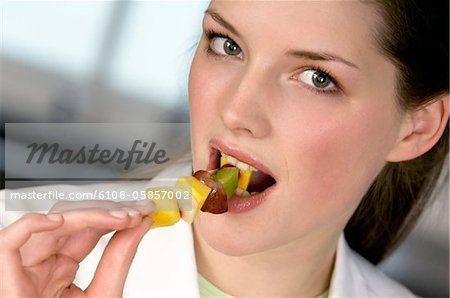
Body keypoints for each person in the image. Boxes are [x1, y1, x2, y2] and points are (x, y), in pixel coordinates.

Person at [1, 0, 448, 297]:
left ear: (416, 129)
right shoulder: (13, 253)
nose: (237, 111)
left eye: (316, 77)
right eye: (227, 45)